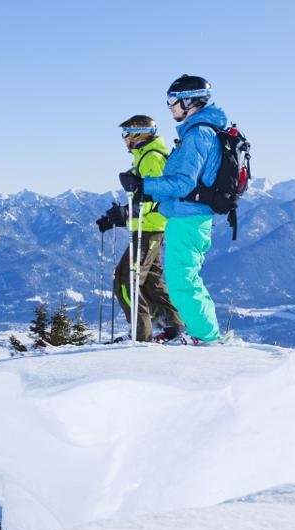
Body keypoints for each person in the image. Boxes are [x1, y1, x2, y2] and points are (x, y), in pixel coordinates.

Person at [119, 75, 228, 345]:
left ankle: (206, 337)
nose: (169, 107)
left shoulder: (198, 134)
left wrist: (142, 185)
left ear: (190, 100)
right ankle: (204, 334)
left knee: (182, 280)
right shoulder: (198, 132)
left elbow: (182, 183)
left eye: (172, 101)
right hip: (185, 214)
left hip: (189, 215)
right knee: (182, 278)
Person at [96, 115, 184, 342]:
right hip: (149, 228)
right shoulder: (144, 157)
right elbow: (142, 197)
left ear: (139, 133)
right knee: (150, 281)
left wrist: (126, 214)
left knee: (125, 280)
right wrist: (117, 217)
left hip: (149, 228)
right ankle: (174, 326)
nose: (124, 140)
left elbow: (155, 196)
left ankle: (140, 336)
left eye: (126, 134)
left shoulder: (152, 158)